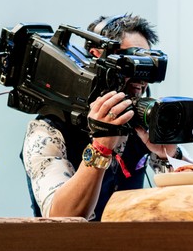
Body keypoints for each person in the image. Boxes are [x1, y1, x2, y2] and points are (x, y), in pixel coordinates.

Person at [21, 13, 182, 221]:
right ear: (97, 57)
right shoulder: (47, 131)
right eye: (133, 62)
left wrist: (169, 155)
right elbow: (60, 218)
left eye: (149, 66)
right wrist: (101, 148)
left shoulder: (141, 125)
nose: (141, 78)